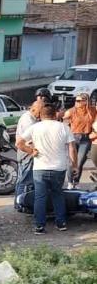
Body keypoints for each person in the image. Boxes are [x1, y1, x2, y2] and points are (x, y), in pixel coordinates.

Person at [16, 104, 78, 234]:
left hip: (40, 168)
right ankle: (61, 223)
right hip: (59, 168)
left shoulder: (35, 127)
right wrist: (74, 165)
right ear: (55, 114)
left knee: (40, 197)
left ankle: (39, 226)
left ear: (40, 115)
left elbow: (19, 143)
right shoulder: (64, 127)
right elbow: (72, 148)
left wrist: (31, 151)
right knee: (58, 195)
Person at [62, 92, 95, 188]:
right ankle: (70, 182)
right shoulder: (72, 111)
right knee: (71, 161)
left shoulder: (92, 111)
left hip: (85, 138)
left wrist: (94, 133)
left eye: (79, 101)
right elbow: (61, 120)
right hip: (73, 137)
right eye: (76, 100)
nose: (76, 102)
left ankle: (75, 182)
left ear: (86, 102)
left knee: (80, 161)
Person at [14, 102, 40, 209]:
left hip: (25, 151)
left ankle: (21, 203)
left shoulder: (30, 117)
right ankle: (19, 204)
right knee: (25, 180)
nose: (40, 115)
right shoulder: (28, 120)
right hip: (26, 152)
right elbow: (29, 141)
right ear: (34, 110)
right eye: (40, 111)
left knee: (24, 179)